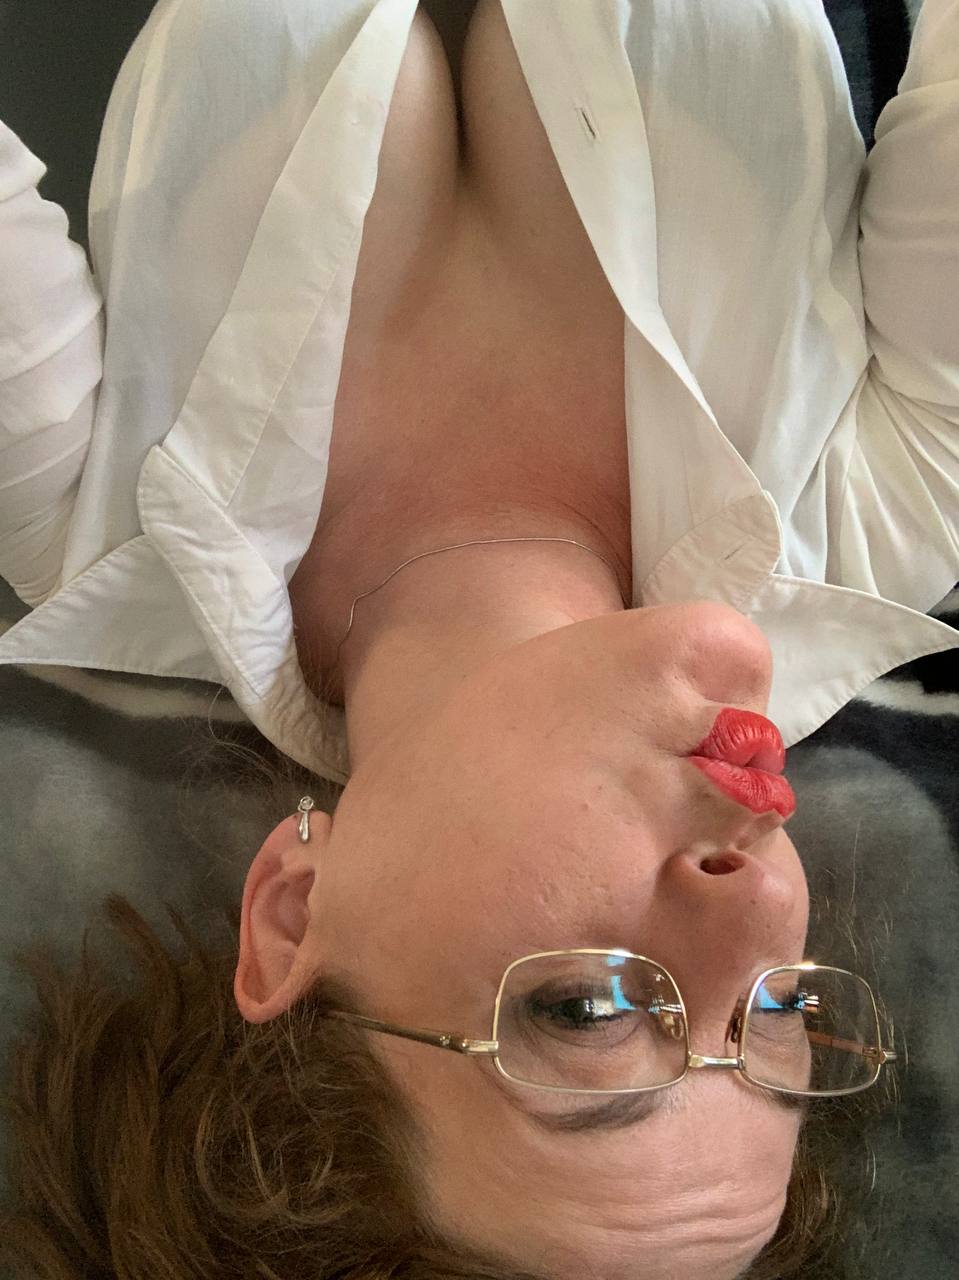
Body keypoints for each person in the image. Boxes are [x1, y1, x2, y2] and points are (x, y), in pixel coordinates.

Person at [0, 0, 955, 1276]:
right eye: (781, 1012)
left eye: (589, 1008)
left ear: (291, 914)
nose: (759, 903)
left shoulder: (81, 509)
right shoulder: (891, 516)